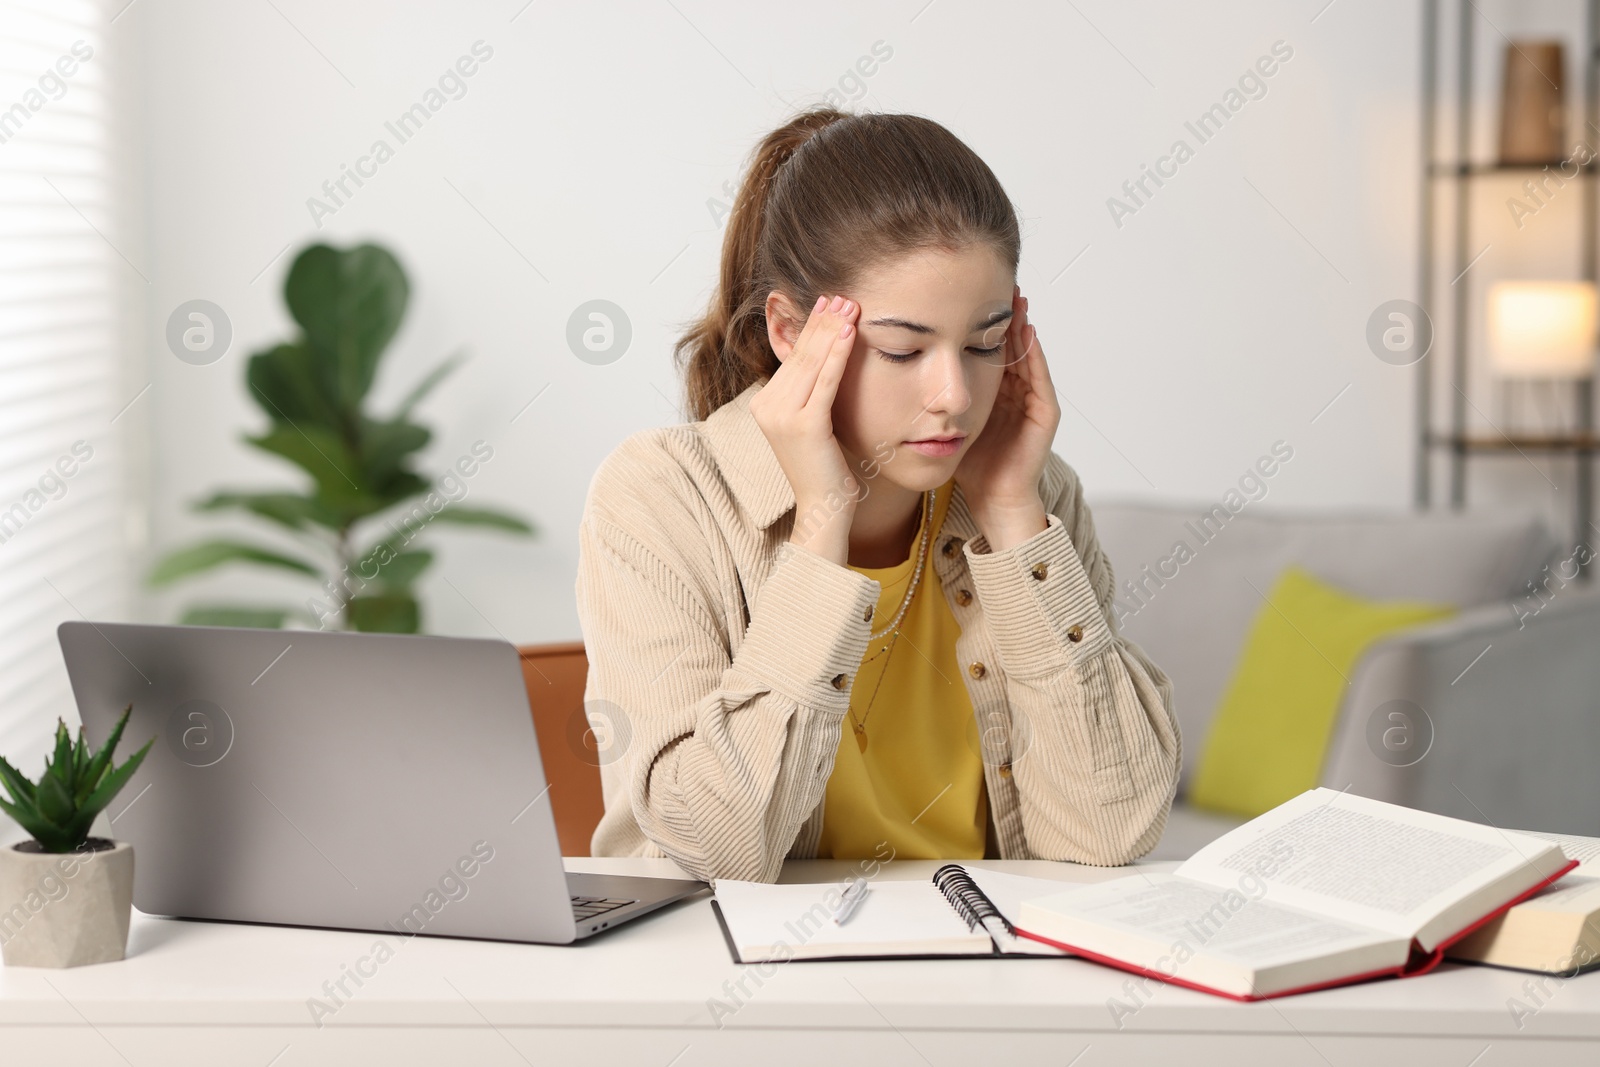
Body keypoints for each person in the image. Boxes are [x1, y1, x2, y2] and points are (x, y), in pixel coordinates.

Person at [574, 106, 1180, 883]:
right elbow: (710, 854)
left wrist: (1013, 520)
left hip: (988, 976)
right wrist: (822, 529)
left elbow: (1110, 834)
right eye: (903, 349)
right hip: (754, 985)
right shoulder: (659, 499)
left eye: (986, 343)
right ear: (792, 333)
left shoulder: (1035, 493)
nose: (955, 395)